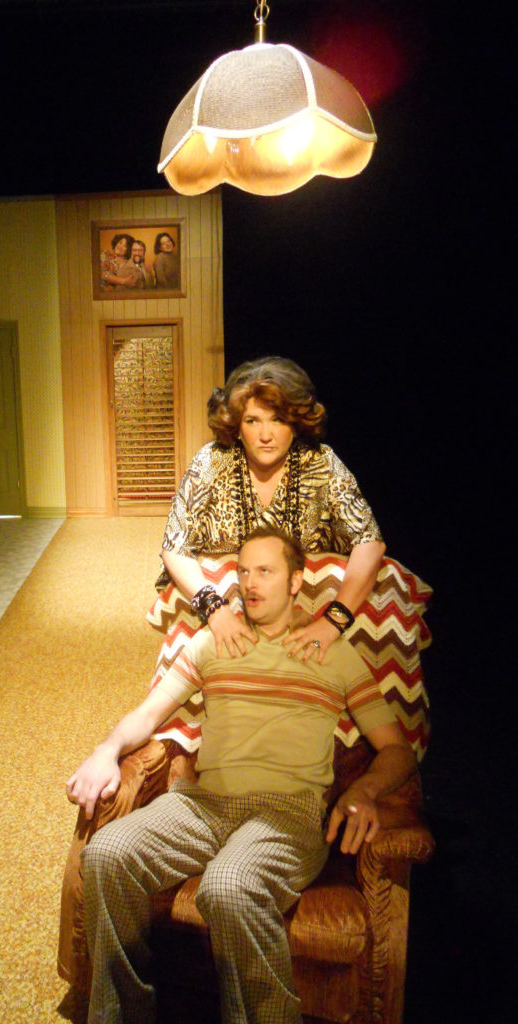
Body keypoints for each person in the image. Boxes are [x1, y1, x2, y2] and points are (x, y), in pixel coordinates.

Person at [67, 527, 415, 1024]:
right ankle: (124, 1015)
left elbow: (396, 751)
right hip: (202, 803)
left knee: (228, 885)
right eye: (244, 571)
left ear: (296, 582)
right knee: (106, 854)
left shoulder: (332, 653)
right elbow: (147, 716)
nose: (250, 583)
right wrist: (106, 750)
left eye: (265, 571)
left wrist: (363, 790)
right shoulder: (214, 641)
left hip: (286, 812)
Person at [159, 356, 385, 666]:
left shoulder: (320, 461)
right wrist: (215, 609)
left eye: (277, 419)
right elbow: (174, 547)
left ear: (295, 422)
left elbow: (369, 541)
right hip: (222, 596)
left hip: (304, 599)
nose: (266, 435)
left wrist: (333, 621)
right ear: (237, 425)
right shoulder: (211, 461)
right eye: (253, 421)